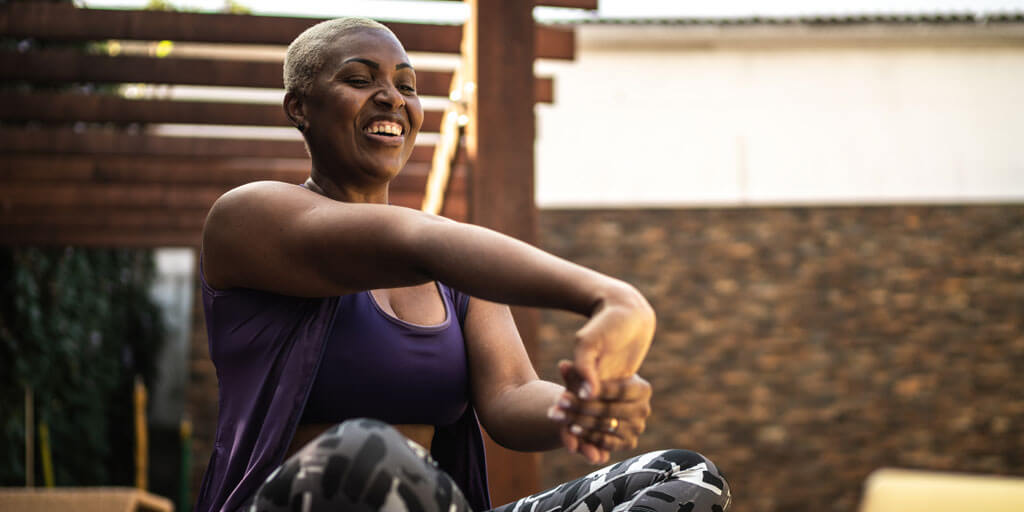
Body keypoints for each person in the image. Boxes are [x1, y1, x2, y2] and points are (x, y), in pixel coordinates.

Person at [194, 17, 731, 512]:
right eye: (359, 80)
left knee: (686, 476)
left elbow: (511, 395)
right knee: (363, 448)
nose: (390, 98)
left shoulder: (456, 274)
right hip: (293, 501)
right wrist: (612, 297)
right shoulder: (248, 218)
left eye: (407, 86)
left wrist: (581, 404)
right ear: (299, 108)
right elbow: (413, 241)